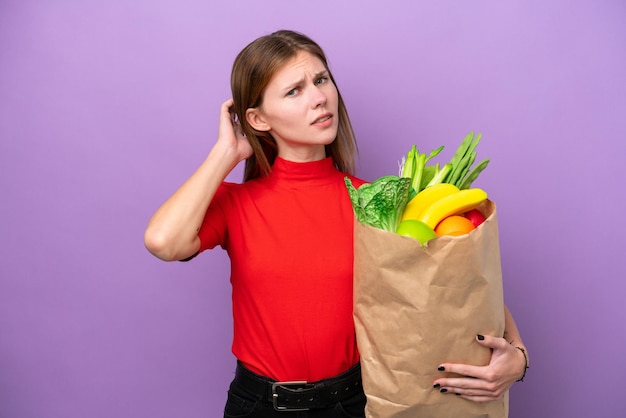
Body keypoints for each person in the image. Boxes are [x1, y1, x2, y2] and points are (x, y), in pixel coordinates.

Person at [144, 29, 528, 417]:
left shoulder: (377, 204)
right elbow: (163, 241)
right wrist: (225, 152)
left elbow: (458, 285)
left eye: (321, 79)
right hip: (258, 405)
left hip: (355, 401)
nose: (318, 97)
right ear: (258, 118)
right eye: (294, 91)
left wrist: (519, 356)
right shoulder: (235, 203)